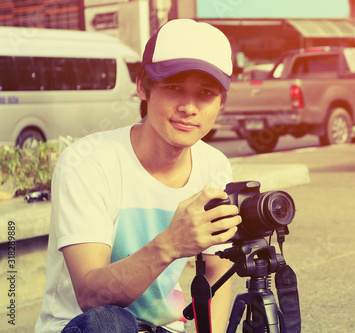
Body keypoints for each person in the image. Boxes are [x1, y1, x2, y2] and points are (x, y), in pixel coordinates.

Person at [35, 19, 241, 333]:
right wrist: (171, 244)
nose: (189, 107)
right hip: (86, 326)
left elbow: (217, 273)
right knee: (110, 322)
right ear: (143, 86)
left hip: (164, 328)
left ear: (221, 102)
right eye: (174, 87)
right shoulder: (88, 162)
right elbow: (91, 296)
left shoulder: (214, 165)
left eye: (205, 93)